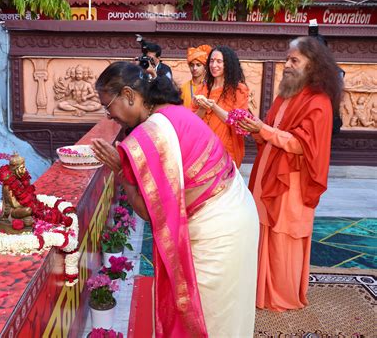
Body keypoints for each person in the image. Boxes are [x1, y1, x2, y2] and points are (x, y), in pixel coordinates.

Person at [91, 61, 259, 337]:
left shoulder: (153, 132)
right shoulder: (172, 112)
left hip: (217, 231)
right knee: (229, 315)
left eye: (108, 107)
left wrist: (120, 170)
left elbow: (150, 211)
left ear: (129, 95)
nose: (110, 117)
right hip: (235, 212)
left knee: (210, 321)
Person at [239, 36, 344, 312]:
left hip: (292, 184)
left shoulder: (319, 103)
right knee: (264, 233)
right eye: (287, 58)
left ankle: (281, 296)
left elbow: (300, 145)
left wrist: (262, 129)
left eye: (294, 60)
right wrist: (255, 127)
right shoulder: (286, 95)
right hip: (268, 174)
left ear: (313, 66)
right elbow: (271, 132)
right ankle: (260, 292)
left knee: (282, 236)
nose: (286, 64)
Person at [192, 46, 249, 168]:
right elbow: (193, 122)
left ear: (227, 64)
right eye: (211, 61)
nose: (214, 65)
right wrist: (202, 108)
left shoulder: (238, 90)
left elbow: (238, 122)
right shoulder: (202, 89)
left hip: (226, 149)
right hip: (203, 148)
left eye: (219, 61)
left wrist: (214, 107)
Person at [181, 45, 212, 109]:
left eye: (198, 65)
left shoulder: (210, 86)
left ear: (205, 67)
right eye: (192, 65)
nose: (194, 68)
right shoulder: (183, 88)